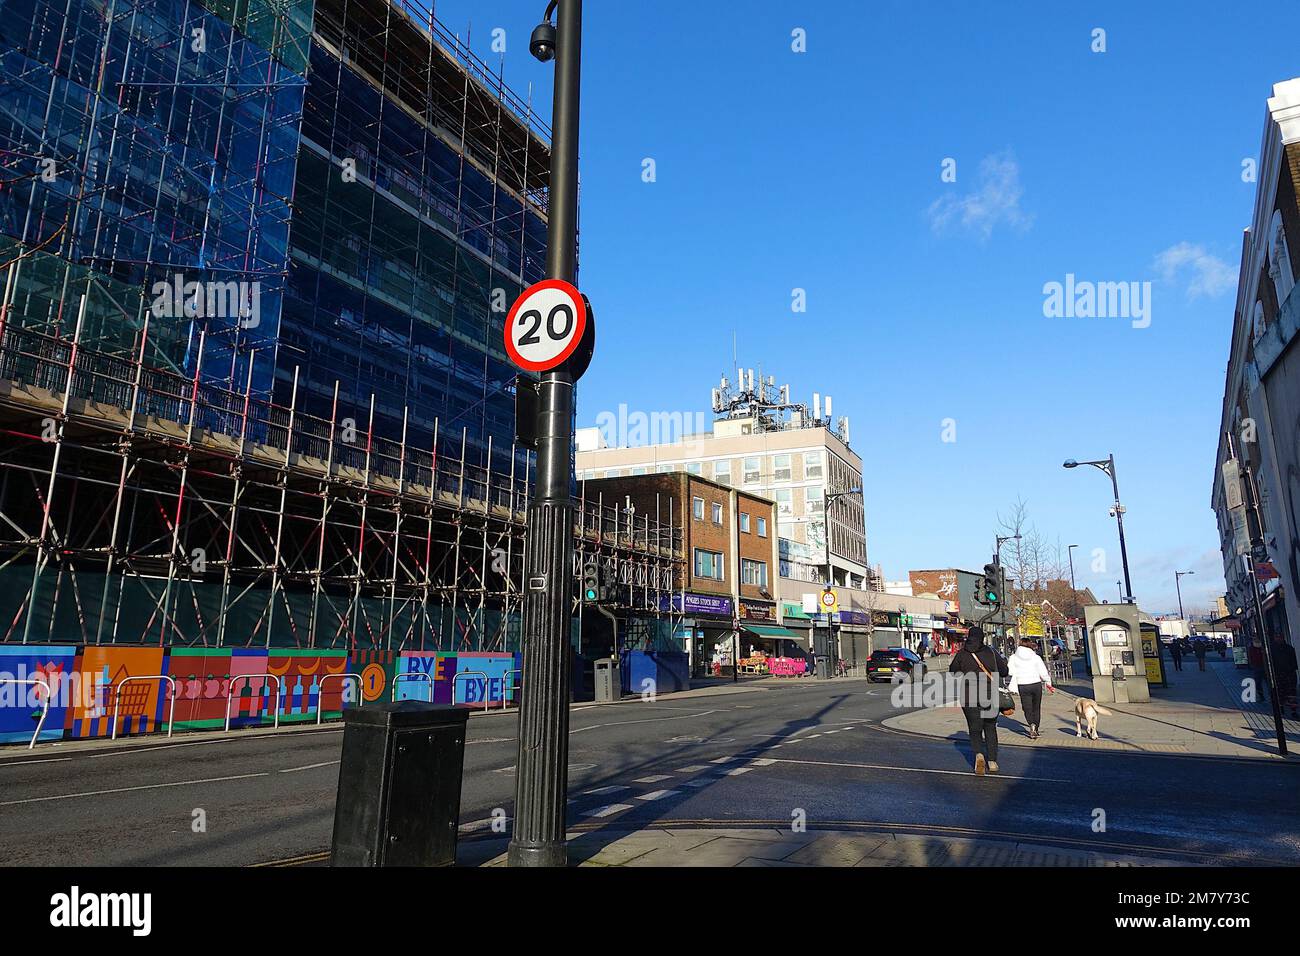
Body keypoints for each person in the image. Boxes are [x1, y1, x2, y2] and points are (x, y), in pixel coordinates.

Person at [950, 626, 1009, 775]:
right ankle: (993, 761)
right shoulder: (991, 652)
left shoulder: (962, 653)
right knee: (990, 728)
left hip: (969, 696)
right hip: (990, 696)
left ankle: (979, 755)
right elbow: (1004, 671)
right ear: (982, 637)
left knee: (975, 729)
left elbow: (953, 671)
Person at [1007, 637, 1054, 739]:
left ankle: (1031, 724)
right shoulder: (1035, 657)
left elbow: (1010, 671)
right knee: (1036, 707)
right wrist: (1048, 682)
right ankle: (1036, 728)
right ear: (1029, 645)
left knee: (1027, 708)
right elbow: (1043, 671)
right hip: (1036, 684)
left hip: (1023, 684)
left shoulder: (1014, 657)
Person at [1271, 633, 1299, 719]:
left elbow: (1294, 661)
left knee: (1291, 693)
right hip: (1278, 674)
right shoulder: (1272, 649)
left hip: (1289, 674)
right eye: (1277, 637)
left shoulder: (1289, 649)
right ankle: (1281, 707)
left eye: (1280, 637)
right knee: (1280, 692)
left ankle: (1293, 710)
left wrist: (1293, 669)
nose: (1279, 639)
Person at [1248, 638, 1268, 705]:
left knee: (1268, 682)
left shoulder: (1264, 647)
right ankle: (1261, 696)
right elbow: (1250, 657)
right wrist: (1252, 664)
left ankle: (1271, 696)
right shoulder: (1252, 648)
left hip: (1265, 667)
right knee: (1258, 683)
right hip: (1257, 667)